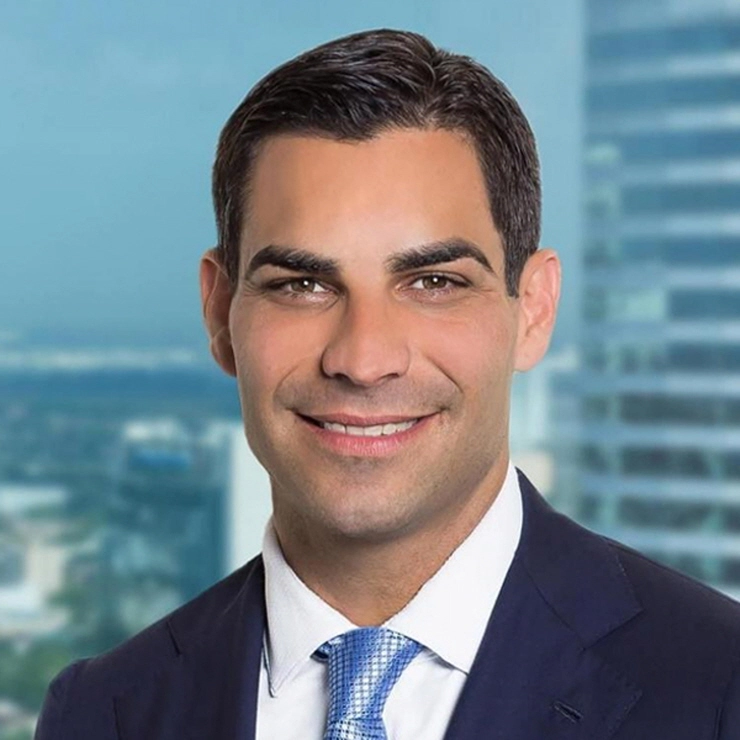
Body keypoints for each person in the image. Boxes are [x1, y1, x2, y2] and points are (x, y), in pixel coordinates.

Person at [36, 28, 740, 739]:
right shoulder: (102, 713)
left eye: (433, 282)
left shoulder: (720, 689)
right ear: (220, 314)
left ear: (533, 310)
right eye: (301, 284)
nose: (363, 358)